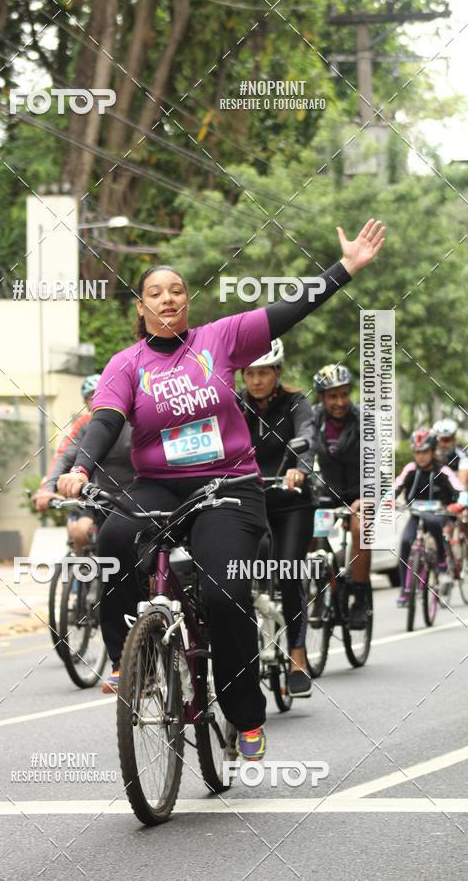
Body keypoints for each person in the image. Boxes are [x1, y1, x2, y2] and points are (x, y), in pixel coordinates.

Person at [58, 219, 386, 761]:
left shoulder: (219, 339)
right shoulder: (126, 365)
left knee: (221, 591)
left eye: (177, 291)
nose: (167, 299)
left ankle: (246, 715)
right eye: (155, 293)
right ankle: (128, 661)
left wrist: (345, 268)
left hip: (228, 486)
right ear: (141, 309)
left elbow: (290, 309)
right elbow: (106, 423)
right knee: (113, 539)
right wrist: (83, 468)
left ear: (187, 302)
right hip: (159, 486)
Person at [239, 338, 316, 698]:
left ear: (277, 372)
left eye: (264, 373)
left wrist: (300, 469)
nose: (256, 381)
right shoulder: (236, 405)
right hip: (250, 500)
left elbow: (307, 437)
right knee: (234, 571)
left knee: (287, 570)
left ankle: (298, 655)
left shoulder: (296, 403)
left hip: (291, 502)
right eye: (250, 374)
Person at [311, 364, 370, 630]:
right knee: (310, 528)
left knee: (361, 525)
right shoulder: (313, 420)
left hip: (361, 492)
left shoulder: (364, 420)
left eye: (344, 394)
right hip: (328, 493)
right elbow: (303, 454)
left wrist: (366, 496)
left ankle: (360, 595)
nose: (339, 402)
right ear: (322, 398)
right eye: (332, 396)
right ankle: (321, 589)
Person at [32, 374, 100, 552]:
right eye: (91, 397)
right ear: (85, 402)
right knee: (78, 531)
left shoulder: (129, 419)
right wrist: (47, 489)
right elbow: (64, 456)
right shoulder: (84, 424)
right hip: (89, 496)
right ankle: (84, 572)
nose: (96, 401)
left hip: (123, 496)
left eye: (100, 394)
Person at [395, 428, 462, 605]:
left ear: (432, 451)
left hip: (439, 515)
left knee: (432, 521)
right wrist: (388, 500)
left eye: (425, 452)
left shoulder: (444, 471)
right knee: (404, 542)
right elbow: (395, 487)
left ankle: (441, 557)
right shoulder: (410, 469)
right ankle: (405, 590)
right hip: (416, 515)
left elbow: (460, 490)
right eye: (417, 452)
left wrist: (459, 503)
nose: (421, 456)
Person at [433, 419, 468, 489]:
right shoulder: (431, 453)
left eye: (446, 440)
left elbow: (461, 485)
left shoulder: (463, 455)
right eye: (439, 440)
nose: (442, 444)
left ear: (454, 440)